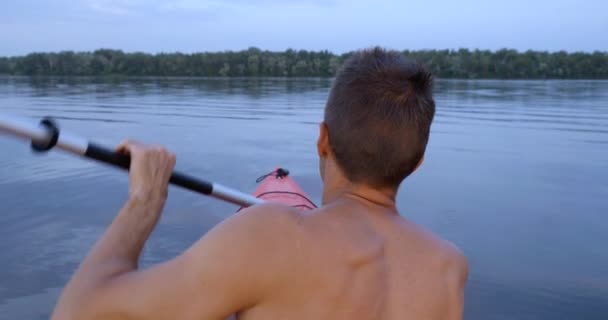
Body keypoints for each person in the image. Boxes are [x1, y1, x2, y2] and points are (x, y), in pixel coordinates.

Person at [51, 47, 468, 320]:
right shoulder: (449, 268)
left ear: (322, 139)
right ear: (417, 162)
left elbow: (79, 311)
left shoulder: (269, 235)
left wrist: (144, 203)